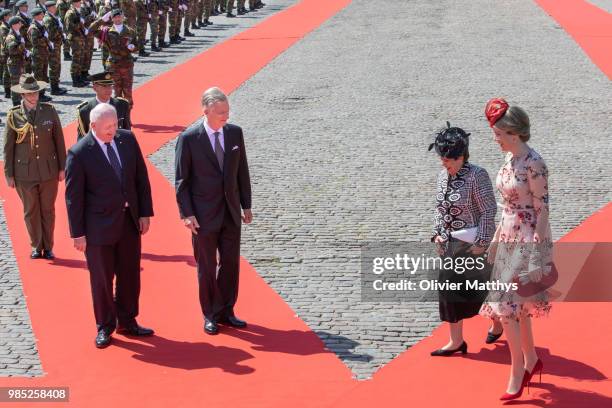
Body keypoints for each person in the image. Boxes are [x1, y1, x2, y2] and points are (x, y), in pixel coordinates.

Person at [479, 98, 552, 400]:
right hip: (508, 236)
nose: (495, 139)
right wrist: (496, 239)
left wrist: (539, 251)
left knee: (506, 309)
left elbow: (543, 209)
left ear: (513, 132)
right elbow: (508, 206)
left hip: (526, 240)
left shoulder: (534, 163)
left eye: (498, 134)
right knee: (516, 308)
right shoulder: (509, 160)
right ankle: (532, 360)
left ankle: (517, 369)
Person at [65, 103, 154, 349]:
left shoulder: (127, 140)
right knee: (102, 279)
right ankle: (105, 325)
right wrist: (78, 233)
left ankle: (128, 320)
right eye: (107, 127)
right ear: (93, 126)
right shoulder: (79, 153)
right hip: (97, 228)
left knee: (129, 274)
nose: (112, 131)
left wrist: (145, 213)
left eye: (115, 125)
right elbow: (74, 197)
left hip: (128, 221)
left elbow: (140, 179)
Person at [175, 87, 252, 335]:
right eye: (220, 112)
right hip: (202, 215)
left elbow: (242, 172)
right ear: (205, 111)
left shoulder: (234, 134)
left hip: (230, 212)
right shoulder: (189, 138)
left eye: (227, 111)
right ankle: (209, 314)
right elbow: (181, 181)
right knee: (207, 266)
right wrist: (187, 214)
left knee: (230, 264)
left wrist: (246, 205)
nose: (225, 116)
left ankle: (226, 310)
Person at [429, 122, 499, 357]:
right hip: (451, 244)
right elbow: (439, 209)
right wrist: (438, 233)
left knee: (481, 290)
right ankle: (456, 340)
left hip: (473, 245)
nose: (444, 163)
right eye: (442, 159)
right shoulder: (442, 176)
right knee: (448, 289)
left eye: (448, 159)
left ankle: (498, 323)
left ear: (461, 157)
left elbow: (489, 210)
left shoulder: (477, 176)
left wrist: (482, 243)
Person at [3, 74, 66, 260]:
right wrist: (9, 174)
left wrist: (62, 167)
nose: (33, 96)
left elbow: (59, 142)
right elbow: (8, 148)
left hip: (48, 170)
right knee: (31, 211)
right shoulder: (13, 115)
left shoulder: (49, 111)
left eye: (35, 93)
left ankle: (49, 246)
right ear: (22, 95)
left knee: (48, 210)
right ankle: (36, 246)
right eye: (29, 94)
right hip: (24, 173)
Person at [90, 9, 138, 107]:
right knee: (116, 93)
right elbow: (91, 30)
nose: (117, 19)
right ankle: (118, 118)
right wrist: (101, 20)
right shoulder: (106, 31)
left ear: (123, 17)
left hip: (127, 65)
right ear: (111, 18)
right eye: (115, 17)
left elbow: (137, 46)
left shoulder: (130, 31)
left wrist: (133, 48)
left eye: (119, 16)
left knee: (128, 92)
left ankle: (127, 118)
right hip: (114, 66)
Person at [76, 71, 131, 140]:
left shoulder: (122, 105)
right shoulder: (85, 110)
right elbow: (82, 140)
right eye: (104, 86)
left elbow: (127, 132)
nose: (109, 89)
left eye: (110, 86)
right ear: (95, 88)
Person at [27, 7, 53, 102]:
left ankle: (42, 93)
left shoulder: (40, 25)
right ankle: (38, 95)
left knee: (43, 74)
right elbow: (35, 42)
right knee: (38, 75)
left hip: (43, 53)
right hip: (38, 54)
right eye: (41, 14)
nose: (43, 15)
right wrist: (45, 39)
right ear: (37, 16)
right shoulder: (34, 28)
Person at [42, 1, 68, 95]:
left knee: (57, 66)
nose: (55, 8)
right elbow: (51, 34)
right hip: (52, 47)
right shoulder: (48, 19)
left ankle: (56, 86)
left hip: (56, 45)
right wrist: (60, 30)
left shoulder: (53, 17)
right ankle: (54, 89)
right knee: (54, 66)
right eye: (54, 7)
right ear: (49, 8)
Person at [64, 0, 89, 87]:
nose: (80, 3)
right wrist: (79, 24)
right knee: (76, 59)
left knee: (80, 58)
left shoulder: (77, 11)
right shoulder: (70, 13)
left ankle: (79, 78)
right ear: (74, 3)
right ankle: (75, 80)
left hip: (80, 38)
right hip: (75, 39)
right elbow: (69, 27)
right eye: (78, 2)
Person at [0, 8, 12, 99]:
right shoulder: (3, 27)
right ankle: (7, 91)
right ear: (5, 17)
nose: (10, 16)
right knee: (6, 72)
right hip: (5, 52)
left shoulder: (8, 25)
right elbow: (5, 40)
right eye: (9, 15)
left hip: (8, 51)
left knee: (8, 71)